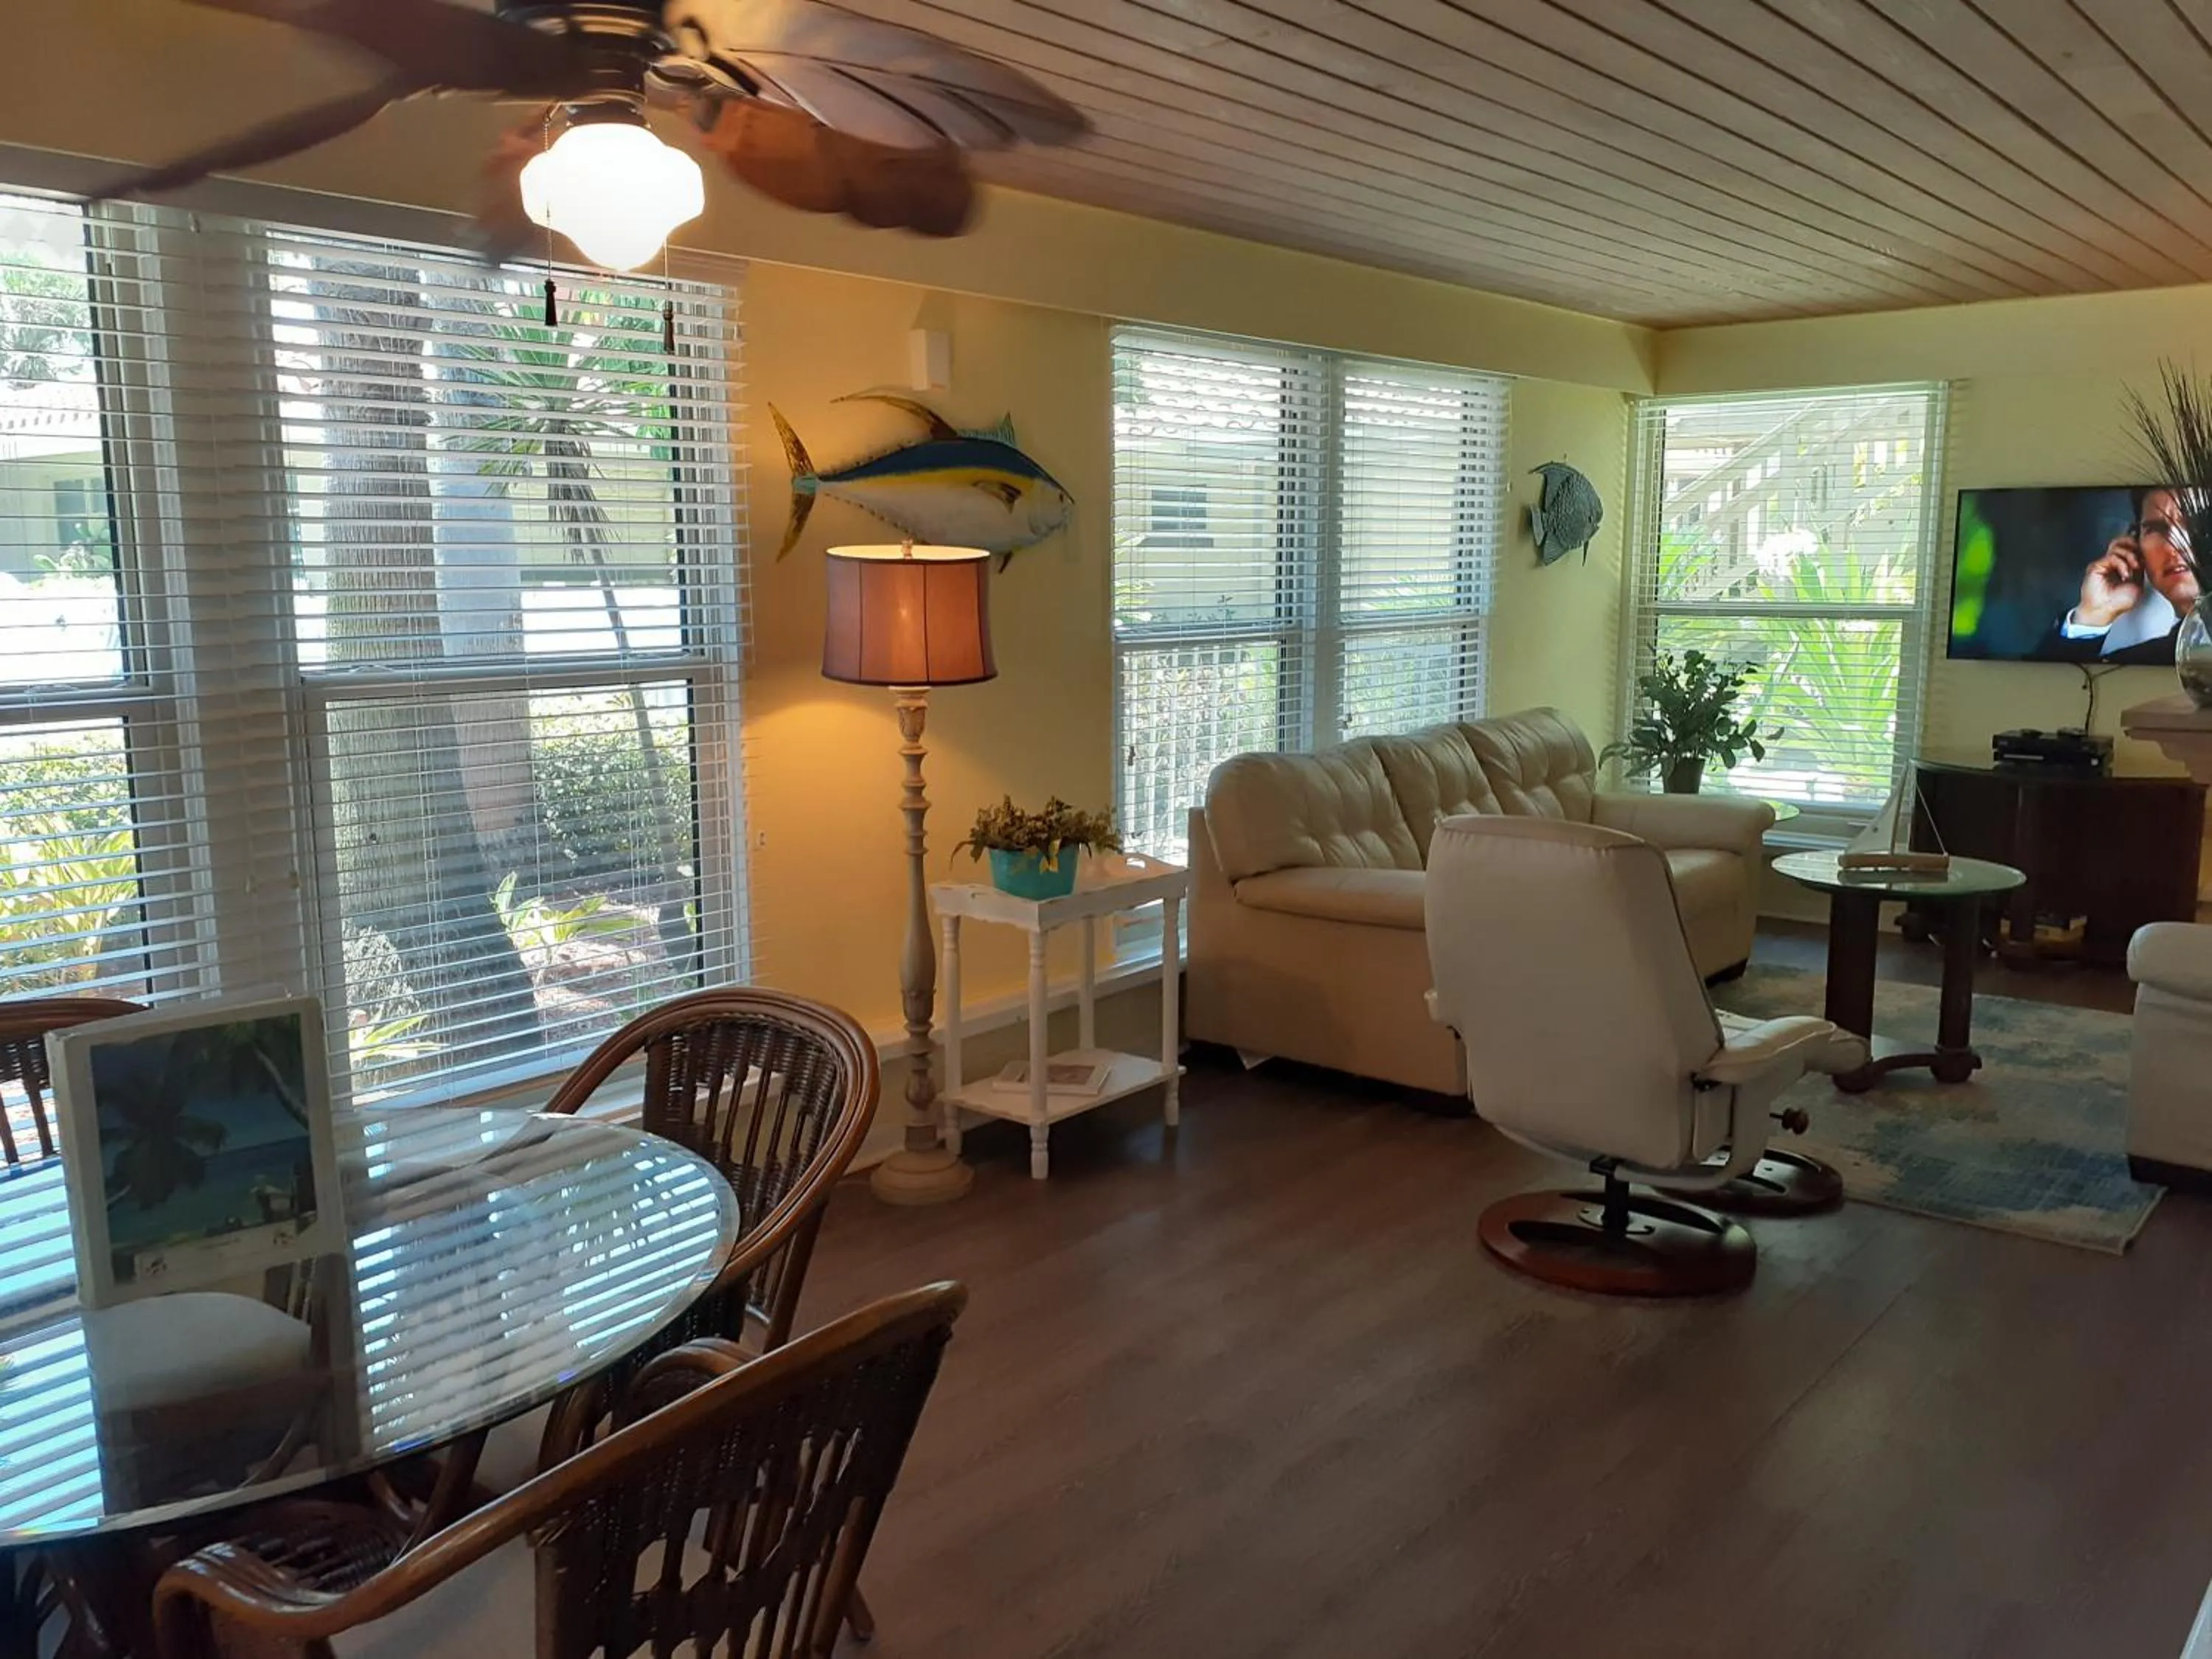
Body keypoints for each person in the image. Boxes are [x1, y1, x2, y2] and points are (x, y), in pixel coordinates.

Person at [2037, 487, 2200, 663]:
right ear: (2136, 545)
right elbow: (2039, 688)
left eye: (2196, 524)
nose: (2173, 546)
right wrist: (2093, 615)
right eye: (2155, 530)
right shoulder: (2133, 667)